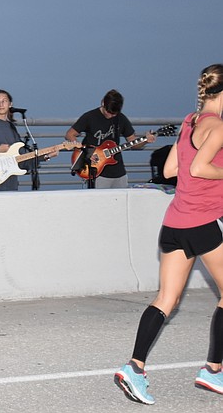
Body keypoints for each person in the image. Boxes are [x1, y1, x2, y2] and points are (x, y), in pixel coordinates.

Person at [114, 64, 223, 404]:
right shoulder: (218, 127)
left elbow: (170, 169)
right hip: (202, 223)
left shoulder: (190, 120)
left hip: (175, 222)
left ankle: (135, 367)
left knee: (166, 299)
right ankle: (213, 370)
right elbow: (198, 168)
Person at [65, 89, 156, 188]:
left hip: (119, 171)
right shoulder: (89, 117)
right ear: (103, 102)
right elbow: (70, 134)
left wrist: (146, 140)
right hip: (97, 171)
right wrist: (84, 152)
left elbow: (133, 142)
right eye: (108, 112)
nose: (110, 115)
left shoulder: (121, 118)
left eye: (114, 114)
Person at [0, 89, 48, 192]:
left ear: (10, 104)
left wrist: (44, 156)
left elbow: (22, 158)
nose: (1, 104)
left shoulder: (11, 127)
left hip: (10, 183)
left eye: (4, 101)